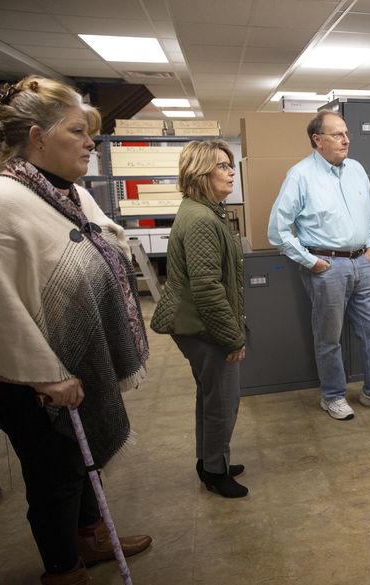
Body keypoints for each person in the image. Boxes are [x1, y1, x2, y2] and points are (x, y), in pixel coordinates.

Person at [0, 76, 152, 584]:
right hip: (35, 378)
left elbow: (106, 242)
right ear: (37, 136)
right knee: (54, 476)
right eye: (78, 131)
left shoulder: (70, 193)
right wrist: (45, 375)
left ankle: (91, 536)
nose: (90, 142)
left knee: (84, 465)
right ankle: (64, 568)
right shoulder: (0, 200)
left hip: (80, 359)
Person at [267, 110, 370, 421]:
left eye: (346, 133)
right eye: (338, 134)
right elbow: (277, 230)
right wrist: (312, 262)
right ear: (317, 140)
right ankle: (332, 396)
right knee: (329, 338)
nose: (346, 139)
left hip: (362, 265)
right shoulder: (300, 175)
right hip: (328, 268)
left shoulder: (356, 169)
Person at [150, 141, 248, 498]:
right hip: (203, 327)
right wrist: (232, 338)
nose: (231, 172)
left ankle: (211, 459)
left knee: (211, 397)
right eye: (222, 166)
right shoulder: (203, 218)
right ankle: (214, 471)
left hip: (198, 324)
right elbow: (207, 288)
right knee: (223, 400)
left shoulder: (205, 210)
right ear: (200, 173)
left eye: (230, 165)